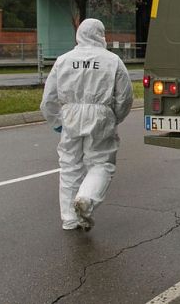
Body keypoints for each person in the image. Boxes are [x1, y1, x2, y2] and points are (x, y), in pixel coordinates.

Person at [41, 19, 133, 231]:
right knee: (101, 163)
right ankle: (86, 198)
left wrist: (57, 122)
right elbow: (125, 97)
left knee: (69, 166)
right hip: (101, 114)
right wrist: (115, 117)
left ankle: (69, 219)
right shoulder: (112, 61)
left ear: (79, 34)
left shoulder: (63, 60)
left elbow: (48, 99)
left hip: (70, 114)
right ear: (101, 35)